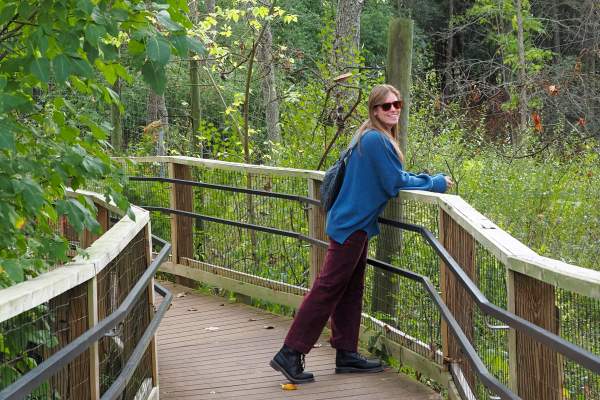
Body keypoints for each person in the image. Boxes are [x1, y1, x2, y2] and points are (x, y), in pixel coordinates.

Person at [269, 84, 453, 383]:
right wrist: (435, 182)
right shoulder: (375, 140)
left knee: (350, 289)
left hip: (353, 223)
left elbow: (386, 179)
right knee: (327, 289)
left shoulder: (368, 137)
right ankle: (290, 352)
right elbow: (394, 182)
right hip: (351, 225)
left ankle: (346, 353)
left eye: (397, 104)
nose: (393, 109)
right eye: (385, 106)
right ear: (374, 110)